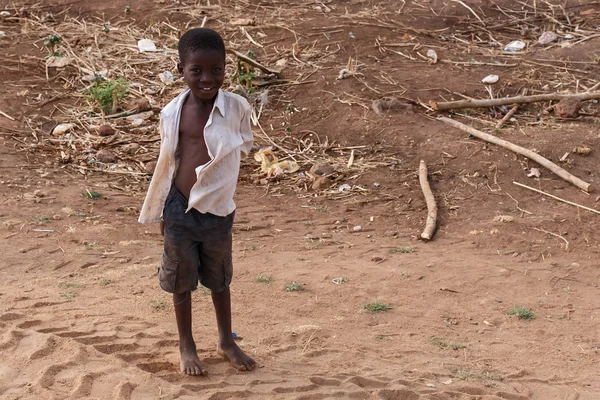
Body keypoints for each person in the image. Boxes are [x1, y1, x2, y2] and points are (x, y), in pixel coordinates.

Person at [138, 27, 256, 376]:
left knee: (219, 278)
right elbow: (169, 161)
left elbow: (241, 148)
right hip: (178, 208)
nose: (208, 78)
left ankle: (226, 340)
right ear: (181, 70)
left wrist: (221, 188)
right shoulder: (172, 112)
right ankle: (186, 346)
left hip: (218, 211)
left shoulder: (236, 108)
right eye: (197, 70)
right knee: (181, 280)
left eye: (216, 69)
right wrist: (162, 209)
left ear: (225, 68)